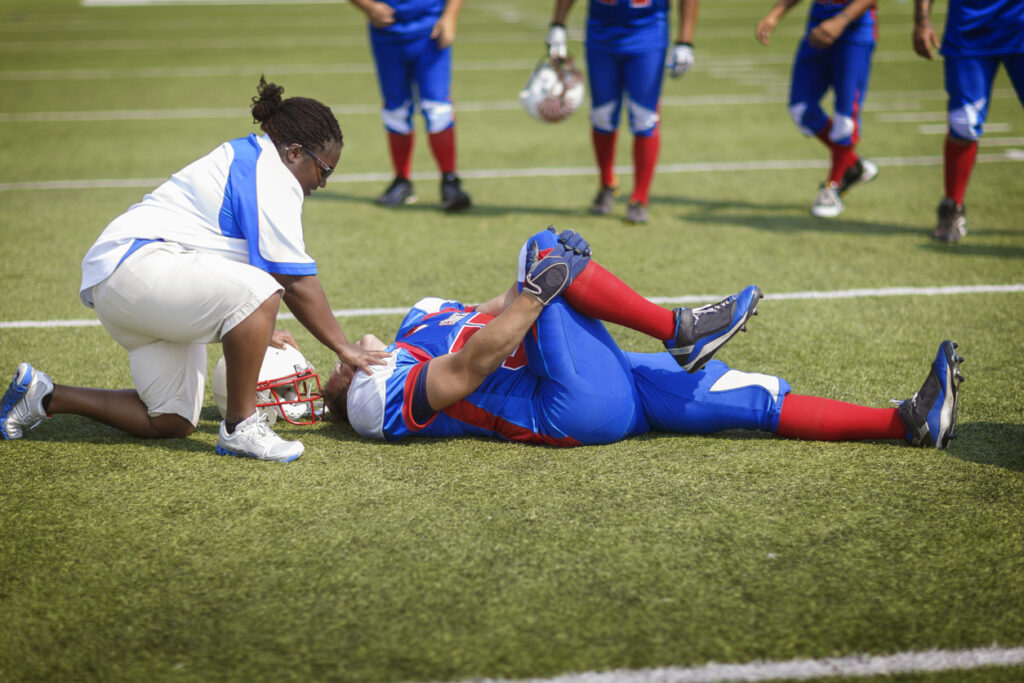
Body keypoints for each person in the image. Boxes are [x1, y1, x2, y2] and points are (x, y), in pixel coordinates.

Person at [1, 77, 389, 462]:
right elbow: (294, 281)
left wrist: (255, 326)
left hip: (130, 283)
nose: (322, 183)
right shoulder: (269, 171)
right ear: (294, 152)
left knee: (171, 420)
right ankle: (241, 426)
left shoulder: (258, 162)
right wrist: (343, 347)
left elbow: (228, 267)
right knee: (263, 292)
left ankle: (44, 394)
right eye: (324, 170)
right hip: (136, 266)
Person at [322, 228, 963, 450]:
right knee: (543, 248)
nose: (330, 366)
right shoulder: (370, 399)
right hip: (563, 405)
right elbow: (471, 365)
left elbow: (489, 310)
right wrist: (544, 283)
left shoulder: (417, 318)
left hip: (595, 372)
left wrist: (537, 287)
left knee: (752, 398)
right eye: (326, 376)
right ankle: (680, 330)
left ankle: (905, 421)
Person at [546, 0, 701, 224]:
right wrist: (558, 24)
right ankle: (607, 183)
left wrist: (685, 40)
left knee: (644, 117)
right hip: (601, 29)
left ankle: (639, 197)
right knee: (602, 115)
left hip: (647, 32)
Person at [912, 0, 1024, 242]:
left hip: (1020, 27)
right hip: (968, 31)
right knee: (963, 123)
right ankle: (953, 205)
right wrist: (922, 20)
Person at [756, 0, 880, 218]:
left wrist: (841, 21)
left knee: (845, 117)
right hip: (818, 28)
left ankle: (832, 186)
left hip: (854, 33)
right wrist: (776, 13)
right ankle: (852, 165)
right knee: (800, 108)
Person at [348, 0, 472, 212]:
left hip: (431, 31)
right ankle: (402, 181)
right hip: (386, 33)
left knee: (438, 108)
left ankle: (450, 182)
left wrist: (450, 16)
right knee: (395, 110)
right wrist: (368, 7)